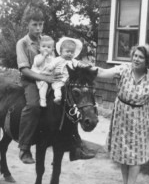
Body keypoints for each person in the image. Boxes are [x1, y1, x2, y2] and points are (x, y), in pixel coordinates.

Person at [16, 9, 94, 164]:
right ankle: (24, 148)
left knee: (70, 102)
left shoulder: (46, 40)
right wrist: (46, 78)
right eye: (34, 25)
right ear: (28, 25)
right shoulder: (23, 43)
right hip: (31, 81)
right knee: (33, 106)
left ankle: (75, 146)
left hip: (50, 78)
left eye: (40, 24)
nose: (38, 28)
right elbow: (24, 69)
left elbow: (58, 59)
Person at [93, 44, 149, 184]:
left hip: (140, 119)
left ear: (147, 61)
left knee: (135, 156)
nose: (136, 59)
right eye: (135, 55)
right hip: (121, 116)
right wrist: (83, 66)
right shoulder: (124, 69)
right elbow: (102, 72)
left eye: (141, 57)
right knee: (123, 153)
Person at [52, 36, 90, 104]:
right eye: (67, 51)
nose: (70, 54)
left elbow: (79, 64)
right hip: (59, 79)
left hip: (71, 81)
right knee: (57, 87)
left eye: (72, 52)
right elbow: (51, 66)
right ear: (61, 51)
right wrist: (51, 71)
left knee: (79, 86)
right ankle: (58, 97)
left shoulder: (73, 61)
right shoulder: (57, 60)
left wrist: (85, 66)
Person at [31, 35, 55, 107]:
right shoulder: (38, 57)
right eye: (43, 46)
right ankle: (42, 100)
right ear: (39, 48)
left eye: (48, 47)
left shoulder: (52, 58)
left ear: (52, 49)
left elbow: (54, 67)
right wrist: (43, 56)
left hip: (48, 75)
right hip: (39, 76)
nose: (46, 49)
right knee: (44, 84)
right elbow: (37, 64)